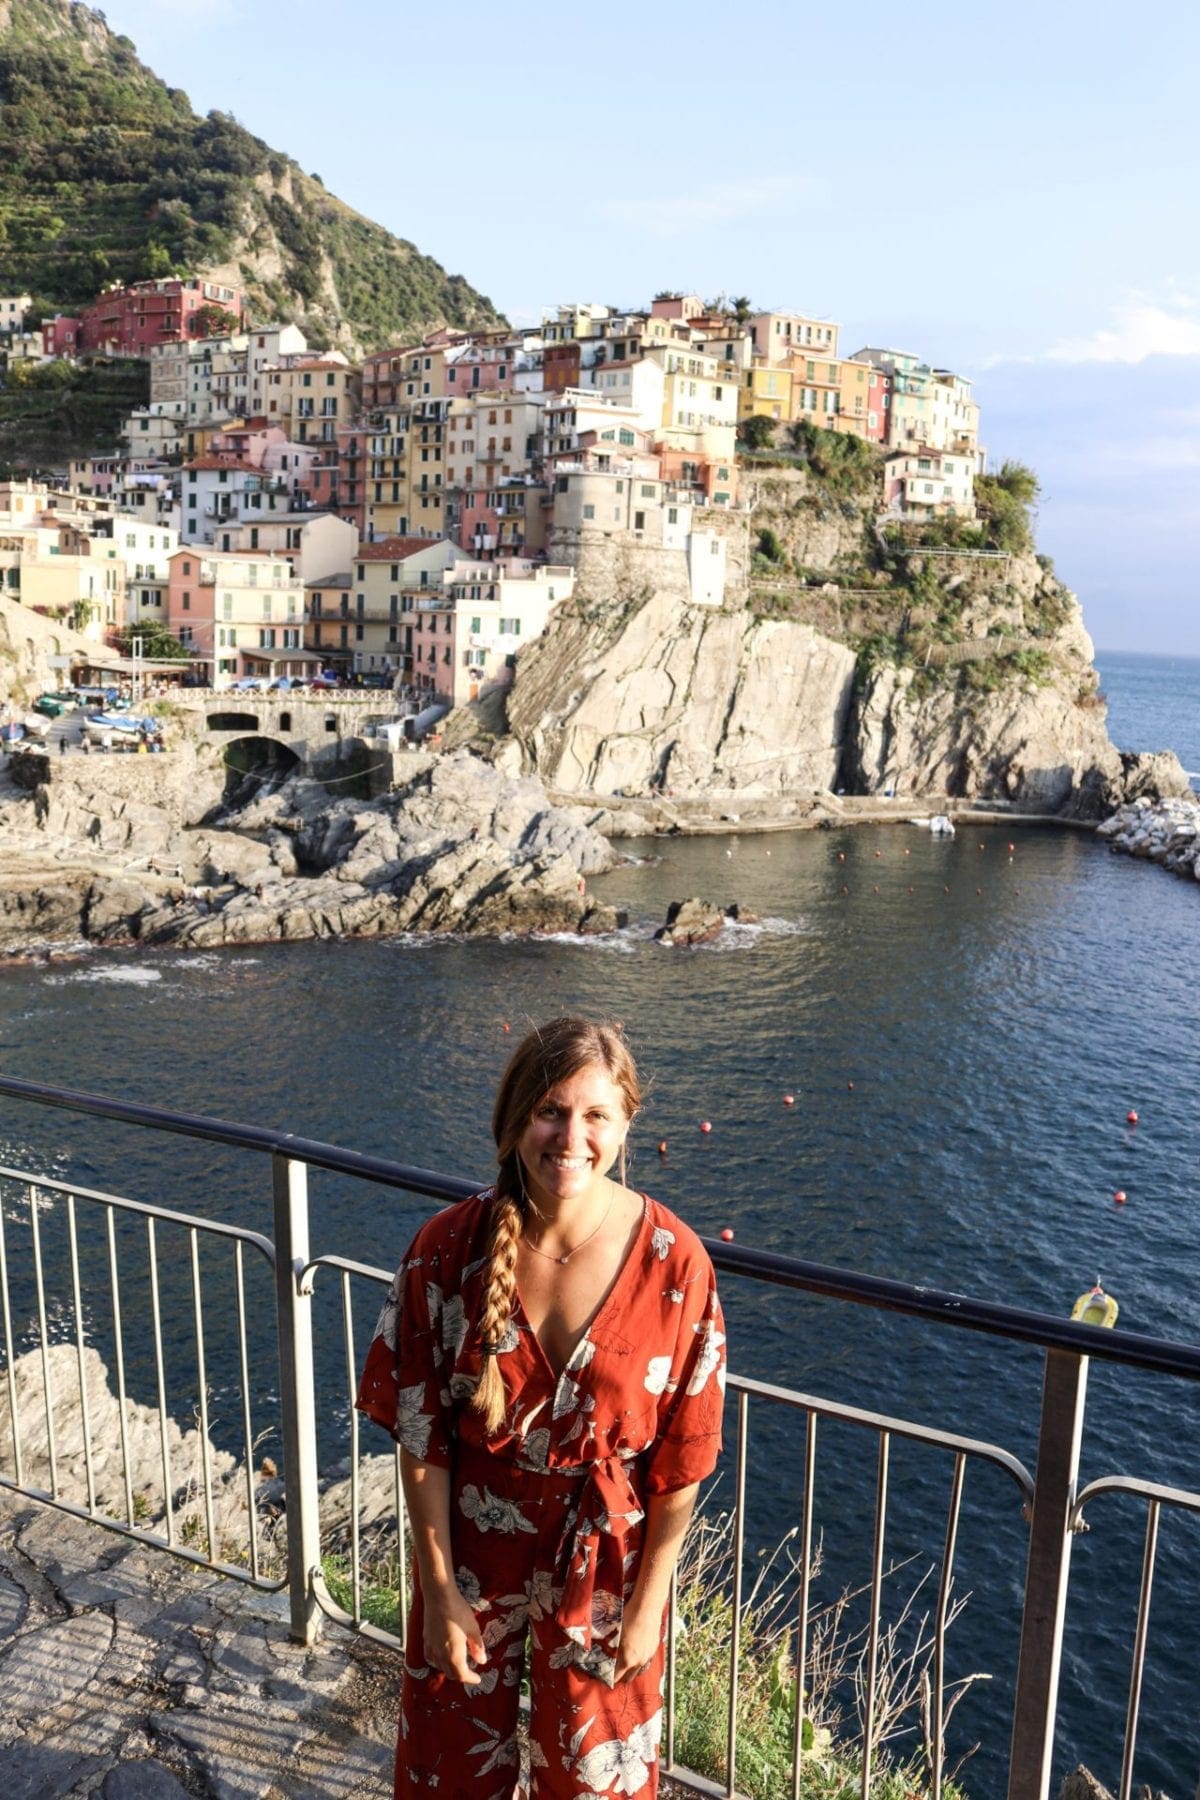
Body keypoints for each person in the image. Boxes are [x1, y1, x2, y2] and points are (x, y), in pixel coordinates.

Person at [356, 1017, 726, 1800]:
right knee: (447, 1775)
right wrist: (438, 1590)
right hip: (468, 1549)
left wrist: (650, 1603)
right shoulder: (447, 1249)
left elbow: (682, 1461)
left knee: (601, 1786)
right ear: (515, 1118)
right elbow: (421, 1441)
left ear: (626, 1125)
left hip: (609, 1566)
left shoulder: (675, 1262)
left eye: (595, 1115)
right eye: (551, 1110)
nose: (571, 1136)